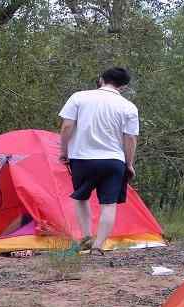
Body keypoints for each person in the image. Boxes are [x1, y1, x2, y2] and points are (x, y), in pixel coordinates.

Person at [58, 67, 139, 255]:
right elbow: (130, 139)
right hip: (113, 160)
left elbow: (67, 126)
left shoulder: (79, 97)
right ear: (124, 87)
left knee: (81, 197)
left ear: (101, 79)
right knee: (108, 204)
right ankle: (98, 246)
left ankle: (86, 238)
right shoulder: (128, 107)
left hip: (81, 158)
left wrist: (64, 151)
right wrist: (129, 164)